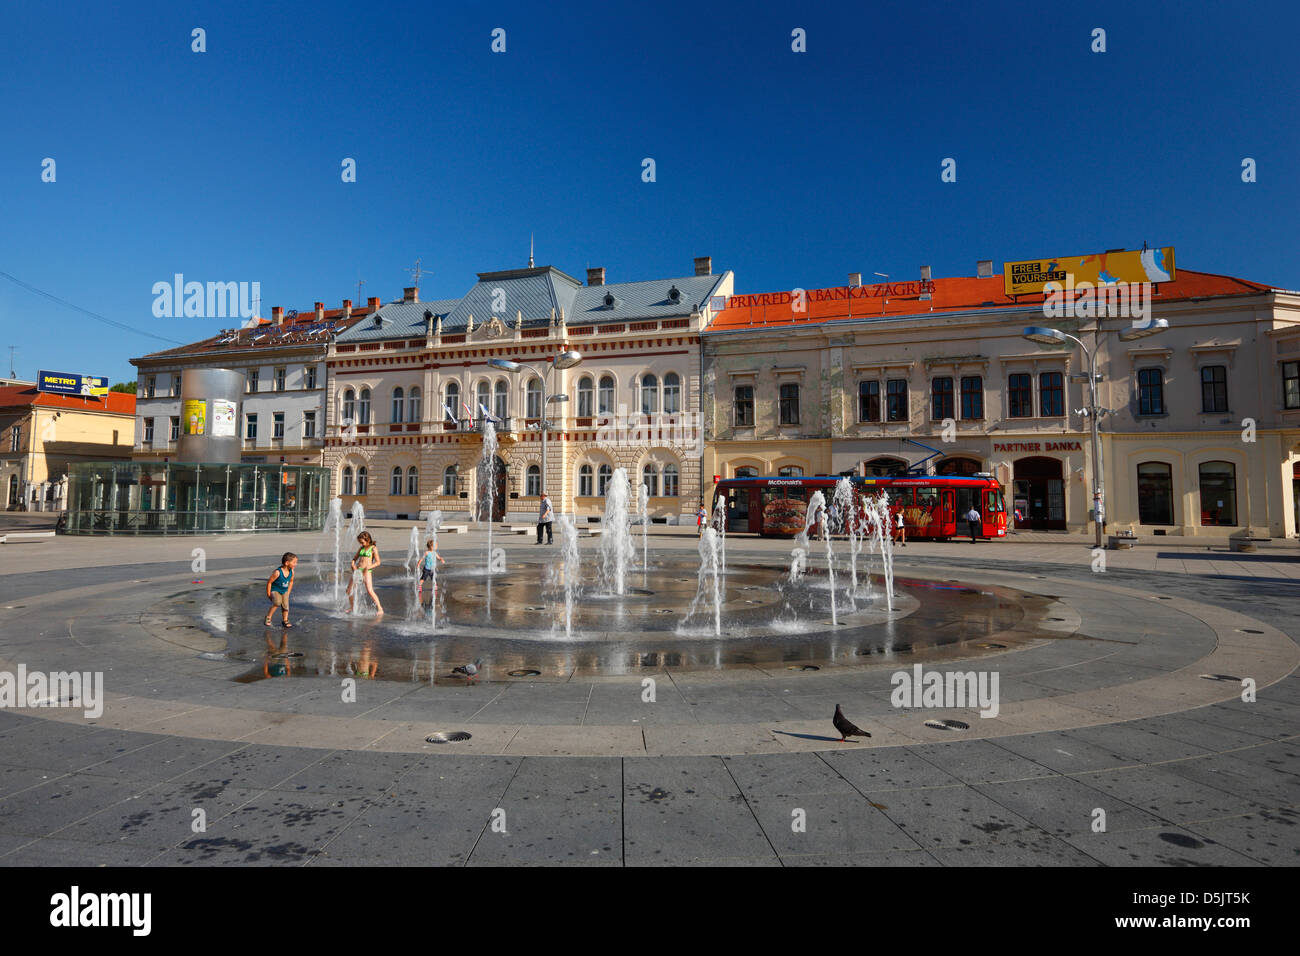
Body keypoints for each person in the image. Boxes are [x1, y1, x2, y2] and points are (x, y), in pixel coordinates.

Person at [346, 531, 384, 615]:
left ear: (368, 540)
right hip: (358, 571)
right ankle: (352, 607)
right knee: (349, 590)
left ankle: (380, 608)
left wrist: (369, 567)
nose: (361, 544)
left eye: (362, 542)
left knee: (370, 590)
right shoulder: (361, 548)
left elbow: (378, 562)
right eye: (359, 542)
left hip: (367, 571)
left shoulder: (373, 548)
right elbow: (355, 558)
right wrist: (353, 563)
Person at [265, 552, 297, 627]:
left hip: (284, 591)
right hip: (275, 590)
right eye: (294, 562)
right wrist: (268, 594)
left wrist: (288, 592)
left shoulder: (292, 572)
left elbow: (291, 582)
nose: (296, 564)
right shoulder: (277, 572)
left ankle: (285, 620)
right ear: (287, 563)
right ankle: (268, 617)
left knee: (286, 605)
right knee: (277, 602)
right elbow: (269, 582)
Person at [418, 537, 445, 603]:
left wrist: (441, 559)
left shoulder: (435, 553)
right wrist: (419, 563)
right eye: (435, 546)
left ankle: (434, 586)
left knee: (433, 578)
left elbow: (438, 558)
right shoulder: (426, 553)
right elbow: (422, 558)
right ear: (431, 547)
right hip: (427, 569)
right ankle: (419, 586)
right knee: (423, 578)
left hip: (432, 569)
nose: (436, 547)